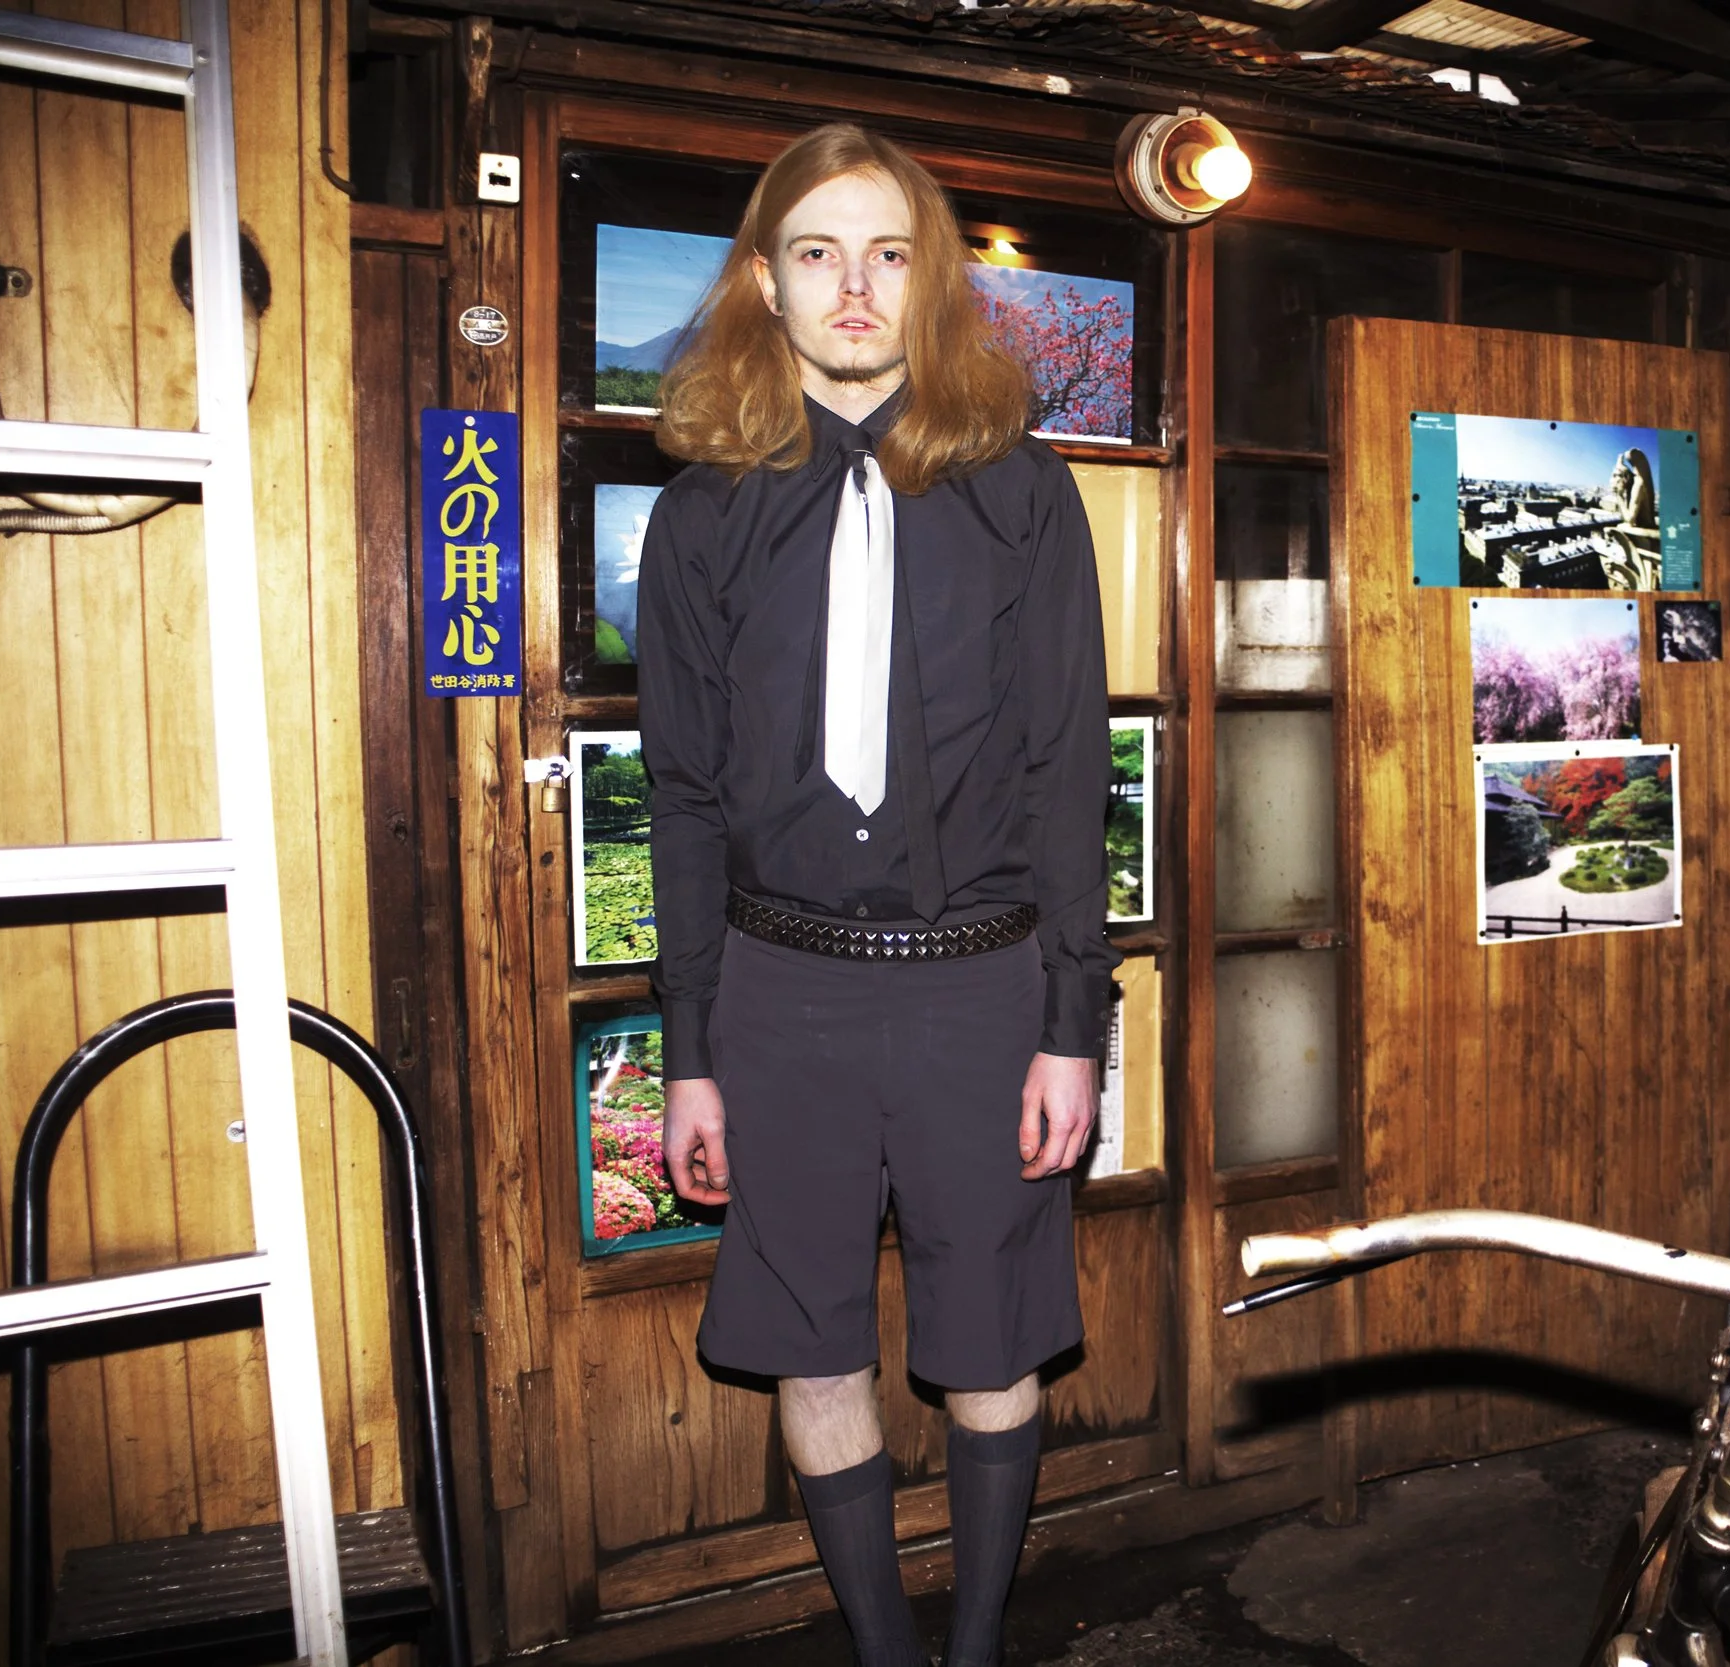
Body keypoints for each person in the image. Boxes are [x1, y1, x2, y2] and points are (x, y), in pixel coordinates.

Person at [636, 122, 1116, 1667]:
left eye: (889, 254)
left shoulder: (1024, 496)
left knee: (990, 1345)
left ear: (931, 283)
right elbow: (685, 801)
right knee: (813, 1344)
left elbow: (1068, 777)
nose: (855, 287)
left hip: (986, 989)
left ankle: (973, 1651)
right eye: (819, 253)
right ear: (764, 284)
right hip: (781, 994)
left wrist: (1073, 1024)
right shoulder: (701, 517)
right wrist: (692, 1049)